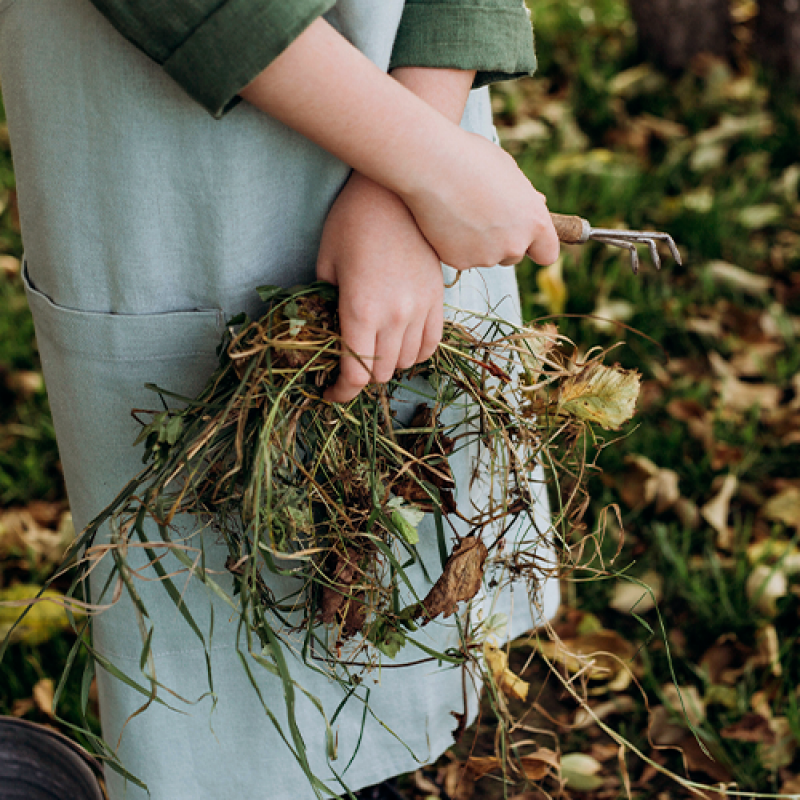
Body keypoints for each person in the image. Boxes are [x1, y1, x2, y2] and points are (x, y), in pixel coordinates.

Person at [0, 1, 562, 798]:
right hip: (176, 162)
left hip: (419, 113)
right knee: (239, 687)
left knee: (393, 610)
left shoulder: (422, 166)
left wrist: (408, 180)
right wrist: (424, 165)